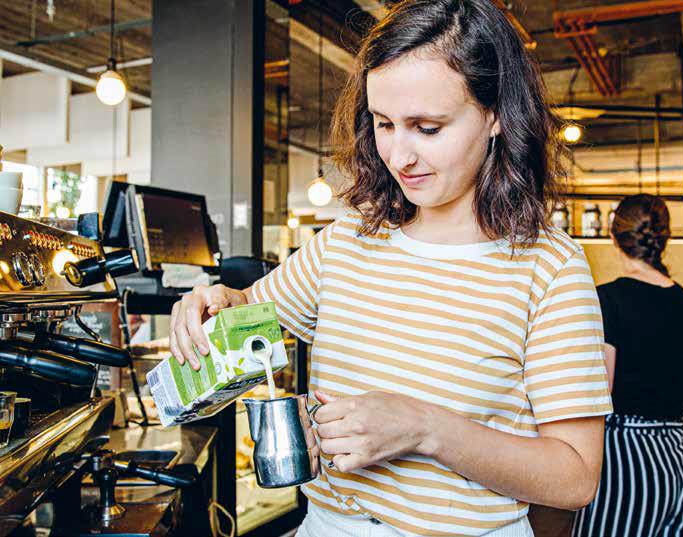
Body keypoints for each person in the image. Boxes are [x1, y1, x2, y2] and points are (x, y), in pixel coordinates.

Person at [168, 1, 612, 536]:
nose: (399, 156)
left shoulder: (549, 267)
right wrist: (214, 303)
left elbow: (576, 478)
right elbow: (248, 317)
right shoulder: (348, 240)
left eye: (427, 128)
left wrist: (425, 429)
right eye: (384, 124)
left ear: (495, 115)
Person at [572, 194, 683, 537]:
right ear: (664, 238)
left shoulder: (607, 299)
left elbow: (601, 389)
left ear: (614, 237)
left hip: (624, 456)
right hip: (677, 457)